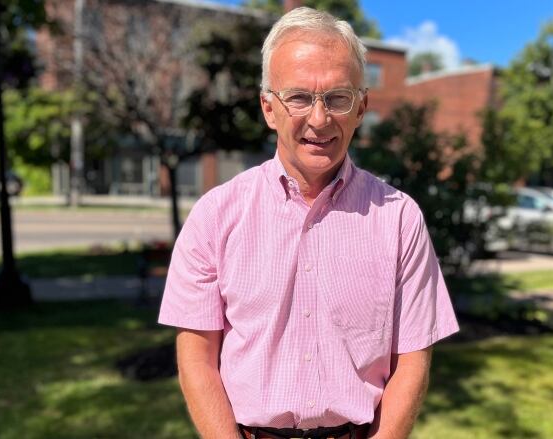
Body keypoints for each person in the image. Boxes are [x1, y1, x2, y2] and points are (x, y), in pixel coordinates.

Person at [159, 7, 458, 439]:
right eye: (298, 97)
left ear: (361, 108)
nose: (319, 119)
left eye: (338, 97)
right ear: (269, 108)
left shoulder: (399, 218)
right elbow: (197, 358)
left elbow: (413, 359)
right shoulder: (215, 215)